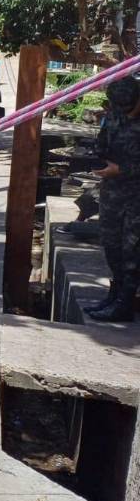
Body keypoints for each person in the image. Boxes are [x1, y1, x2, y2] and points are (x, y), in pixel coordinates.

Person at [84, 76, 140, 322]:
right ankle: (115, 294)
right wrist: (98, 159)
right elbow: (102, 144)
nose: (124, 113)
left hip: (136, 196)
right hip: (113, 192)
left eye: (129, 108)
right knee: (111, 245)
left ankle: (125, 303)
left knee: (132, 250)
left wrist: (124, 170)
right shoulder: (116, 116)